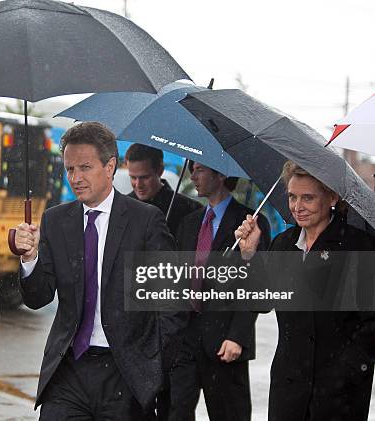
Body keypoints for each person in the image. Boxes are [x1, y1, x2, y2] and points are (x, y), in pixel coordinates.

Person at [14, 122, 185, 420]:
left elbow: (171, 304)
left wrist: (150, 361)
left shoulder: (145, 221)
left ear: (110, 166)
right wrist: (30, 259)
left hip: (124, 372)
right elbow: (38, 297)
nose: (75, 178)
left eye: (84, 167)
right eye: (69, 169)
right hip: (68, 370)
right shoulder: (56, 221)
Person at [235, 161, 375, 421]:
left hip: (341, 393)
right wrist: (249, 255)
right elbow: (260, 302)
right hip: (288, 389)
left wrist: (348, 368)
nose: (297, 207)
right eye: (292, 197)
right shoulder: (283, 244)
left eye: (308, 198)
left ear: (332, 196)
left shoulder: (359, 246)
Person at [164, 160, 270, 421]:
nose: (193, 175)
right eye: (192, 169)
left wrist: (238, 336)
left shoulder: (251, 224)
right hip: (185, 340)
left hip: (224, 343)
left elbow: (255, 290)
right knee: (175, 412)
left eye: (199, 169)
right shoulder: (189, 223)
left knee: (228, 414)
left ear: (221, 174)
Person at [125, 143, 202, 237]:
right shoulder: (120, 207)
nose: (138, 185)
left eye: (145, 177)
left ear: (160, 171)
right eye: (133, 177)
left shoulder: (189, 210)